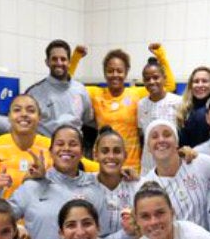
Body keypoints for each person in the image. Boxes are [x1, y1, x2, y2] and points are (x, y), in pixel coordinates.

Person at [69, 43, 176, 171]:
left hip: (131, 164)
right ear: (105, 73)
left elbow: (169, 86)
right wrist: (76, 57)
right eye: (110, 71)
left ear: (126, 73)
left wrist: (160, 55)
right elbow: (68, 85)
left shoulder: (136, 94)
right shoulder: (96, 93)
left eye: (119, 71)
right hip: (103, 163)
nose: (115, 74)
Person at [8, 125, 110, 239]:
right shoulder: (32, 186)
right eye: (60, 144)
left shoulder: (95, 187)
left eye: (73, 144)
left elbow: (105, 238)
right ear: (50, 151)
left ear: (82, 152)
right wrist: (17, 228)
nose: (66, 148)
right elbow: (0, 218)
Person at [0, 39, 94, 137]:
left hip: (75, 157)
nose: (59, 63)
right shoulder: (34, 93)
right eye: (54, 59)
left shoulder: (81, 90)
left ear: (69, 62)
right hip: (45, 157)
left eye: (63, 59)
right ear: (47, 62)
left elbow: (87, 120)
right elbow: (16, 124)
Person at [141, 120, 210, 228]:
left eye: (167, 135)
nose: (161, 140)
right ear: (148, 148)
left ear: (177, 142)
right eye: (154, 137)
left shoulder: (199, 162)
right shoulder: (146, 186)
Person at [0, 95, 55, 199]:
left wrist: (44, 178)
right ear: (9, 116)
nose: (24, 114)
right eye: (17, 110)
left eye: (31, 110)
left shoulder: (52, 146)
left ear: (39, 118)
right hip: (3, 212)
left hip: (39, 212)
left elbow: (81, 167)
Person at [93, 126, 142, 239]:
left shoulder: (137, 187)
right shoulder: (85, 185)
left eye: (117, 151)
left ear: (125, 155)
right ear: (95, 155)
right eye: (105, 151)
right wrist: (126, 233)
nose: (111, 156)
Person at [137, 56, 183, 174]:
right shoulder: (141, 105)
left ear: (164, 78)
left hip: (172, 164)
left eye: (156, 77)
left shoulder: (178, 102)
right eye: (147, 79)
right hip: (148, 164)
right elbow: (142, 134)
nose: (152, 81)